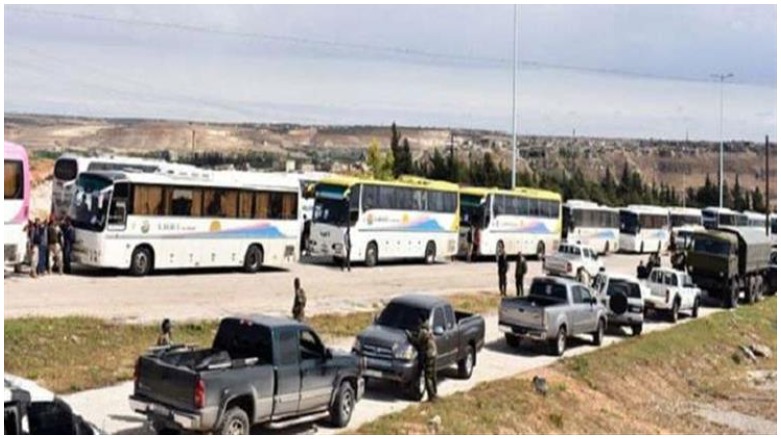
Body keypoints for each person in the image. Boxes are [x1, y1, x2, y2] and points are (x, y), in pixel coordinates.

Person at [408, 319, 437, 402]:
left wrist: (410, 337)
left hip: (429, 355)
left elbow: (417, 342)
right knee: (433, 375)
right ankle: (434, 393)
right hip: (434, 354)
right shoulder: (430, 333)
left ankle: (431, 396)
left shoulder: (423, 332)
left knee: (428, 377)